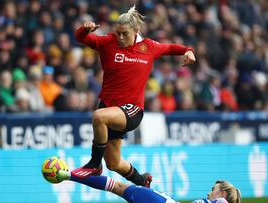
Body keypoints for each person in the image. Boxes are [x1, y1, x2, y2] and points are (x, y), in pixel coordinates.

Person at [72, 5, 196, 188]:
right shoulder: (107, 42)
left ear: (136, 30)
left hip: (132, 110)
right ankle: (142, 181)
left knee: (98, 117)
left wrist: (188, 50)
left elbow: (170, 48)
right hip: (108, 106)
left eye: (125, 34)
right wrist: (85, 29)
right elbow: (80, 38)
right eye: (118, 33)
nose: (120, 38)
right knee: (113, 163)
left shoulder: (149, 47)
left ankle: (94, 164)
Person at [56, 170, 241, 203]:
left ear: (222, 193)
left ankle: (68, 175)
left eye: (213, 189)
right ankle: (69, 175)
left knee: (117, 187)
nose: (209, 192)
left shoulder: (220, 202)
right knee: (118, 187)